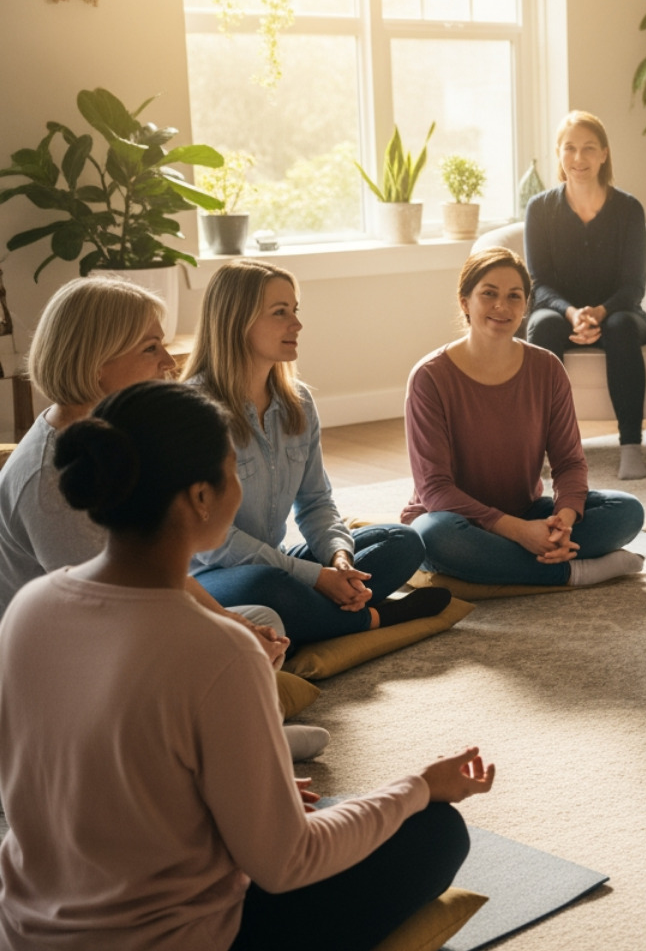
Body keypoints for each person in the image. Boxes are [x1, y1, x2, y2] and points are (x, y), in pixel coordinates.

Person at [0, 380, 493, 951]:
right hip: (168, 939)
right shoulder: (218, 651)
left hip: (28, 931)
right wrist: (417, 786)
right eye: (232, 470)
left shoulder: (29, 609)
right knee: (433, 831)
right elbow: (289, 862)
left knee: (311, 811)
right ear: (201, 497)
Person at [0, 276, 326, 759]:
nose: (170, 363)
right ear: (95, 362)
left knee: (256, 621)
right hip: (60, 665)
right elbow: (113, 614)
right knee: (225, 643)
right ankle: (228, 745)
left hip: (118, 625)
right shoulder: (52, 478)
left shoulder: (112, 433)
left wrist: (232, 627)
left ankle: (231, 736)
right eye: (151, 348)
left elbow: (158, 564)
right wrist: (223, 639)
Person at [186, 260, 450, 646]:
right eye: (280, 313)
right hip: (213, 575)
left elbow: (315, 502)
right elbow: (215, 542)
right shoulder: (193, 411)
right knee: (270, 586)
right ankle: (377, 616)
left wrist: (339, 560)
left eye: (295, 310)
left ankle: (319, 614)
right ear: (236, 321)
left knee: (403, 542)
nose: (297, 324)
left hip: (277, 560)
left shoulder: (299, 402)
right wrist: (314, 577)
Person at [404, 247, 645, 587]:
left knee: (627, 511)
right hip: (454, 519)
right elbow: (435, 490)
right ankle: (573, 572)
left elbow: (569, 463)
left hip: (527, 511)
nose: (501, 306)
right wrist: (517, 532)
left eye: (514, 296)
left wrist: (562, 521)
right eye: (489, 294)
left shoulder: (547, 368)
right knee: (433, 537)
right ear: (464, 302)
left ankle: (508, 562)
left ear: (525, 306)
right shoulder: (430, 377)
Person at [524, 110, 646, 481]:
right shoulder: (540, 209)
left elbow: (634, 284)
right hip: (558, 312)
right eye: (569, 149)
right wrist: (570, 313)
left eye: (588, 149)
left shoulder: (628, 209)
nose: (578, 159)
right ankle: (547, 445)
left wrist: (599, 311)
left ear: (604, 154)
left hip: (619, 311)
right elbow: (539, 282)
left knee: (622, 327)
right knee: (542, 327)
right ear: (559, 154)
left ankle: (630, 445)